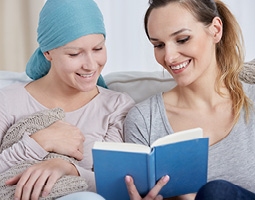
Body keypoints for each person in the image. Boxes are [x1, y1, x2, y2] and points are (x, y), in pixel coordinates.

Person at [0, 0, 135, 199]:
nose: (90, 65)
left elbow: (118, 185)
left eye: (98, 49)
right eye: (75, 53)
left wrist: (67, 168)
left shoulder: (116, 107)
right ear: (47, 52)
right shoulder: (8, 100)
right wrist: (40, 141)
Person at [124, 0, 255, 199]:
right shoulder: (144, 120)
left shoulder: (251, 100)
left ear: (216, 30)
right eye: (159, 45)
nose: (168, 57)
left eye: (182, 39)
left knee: (216, 192)